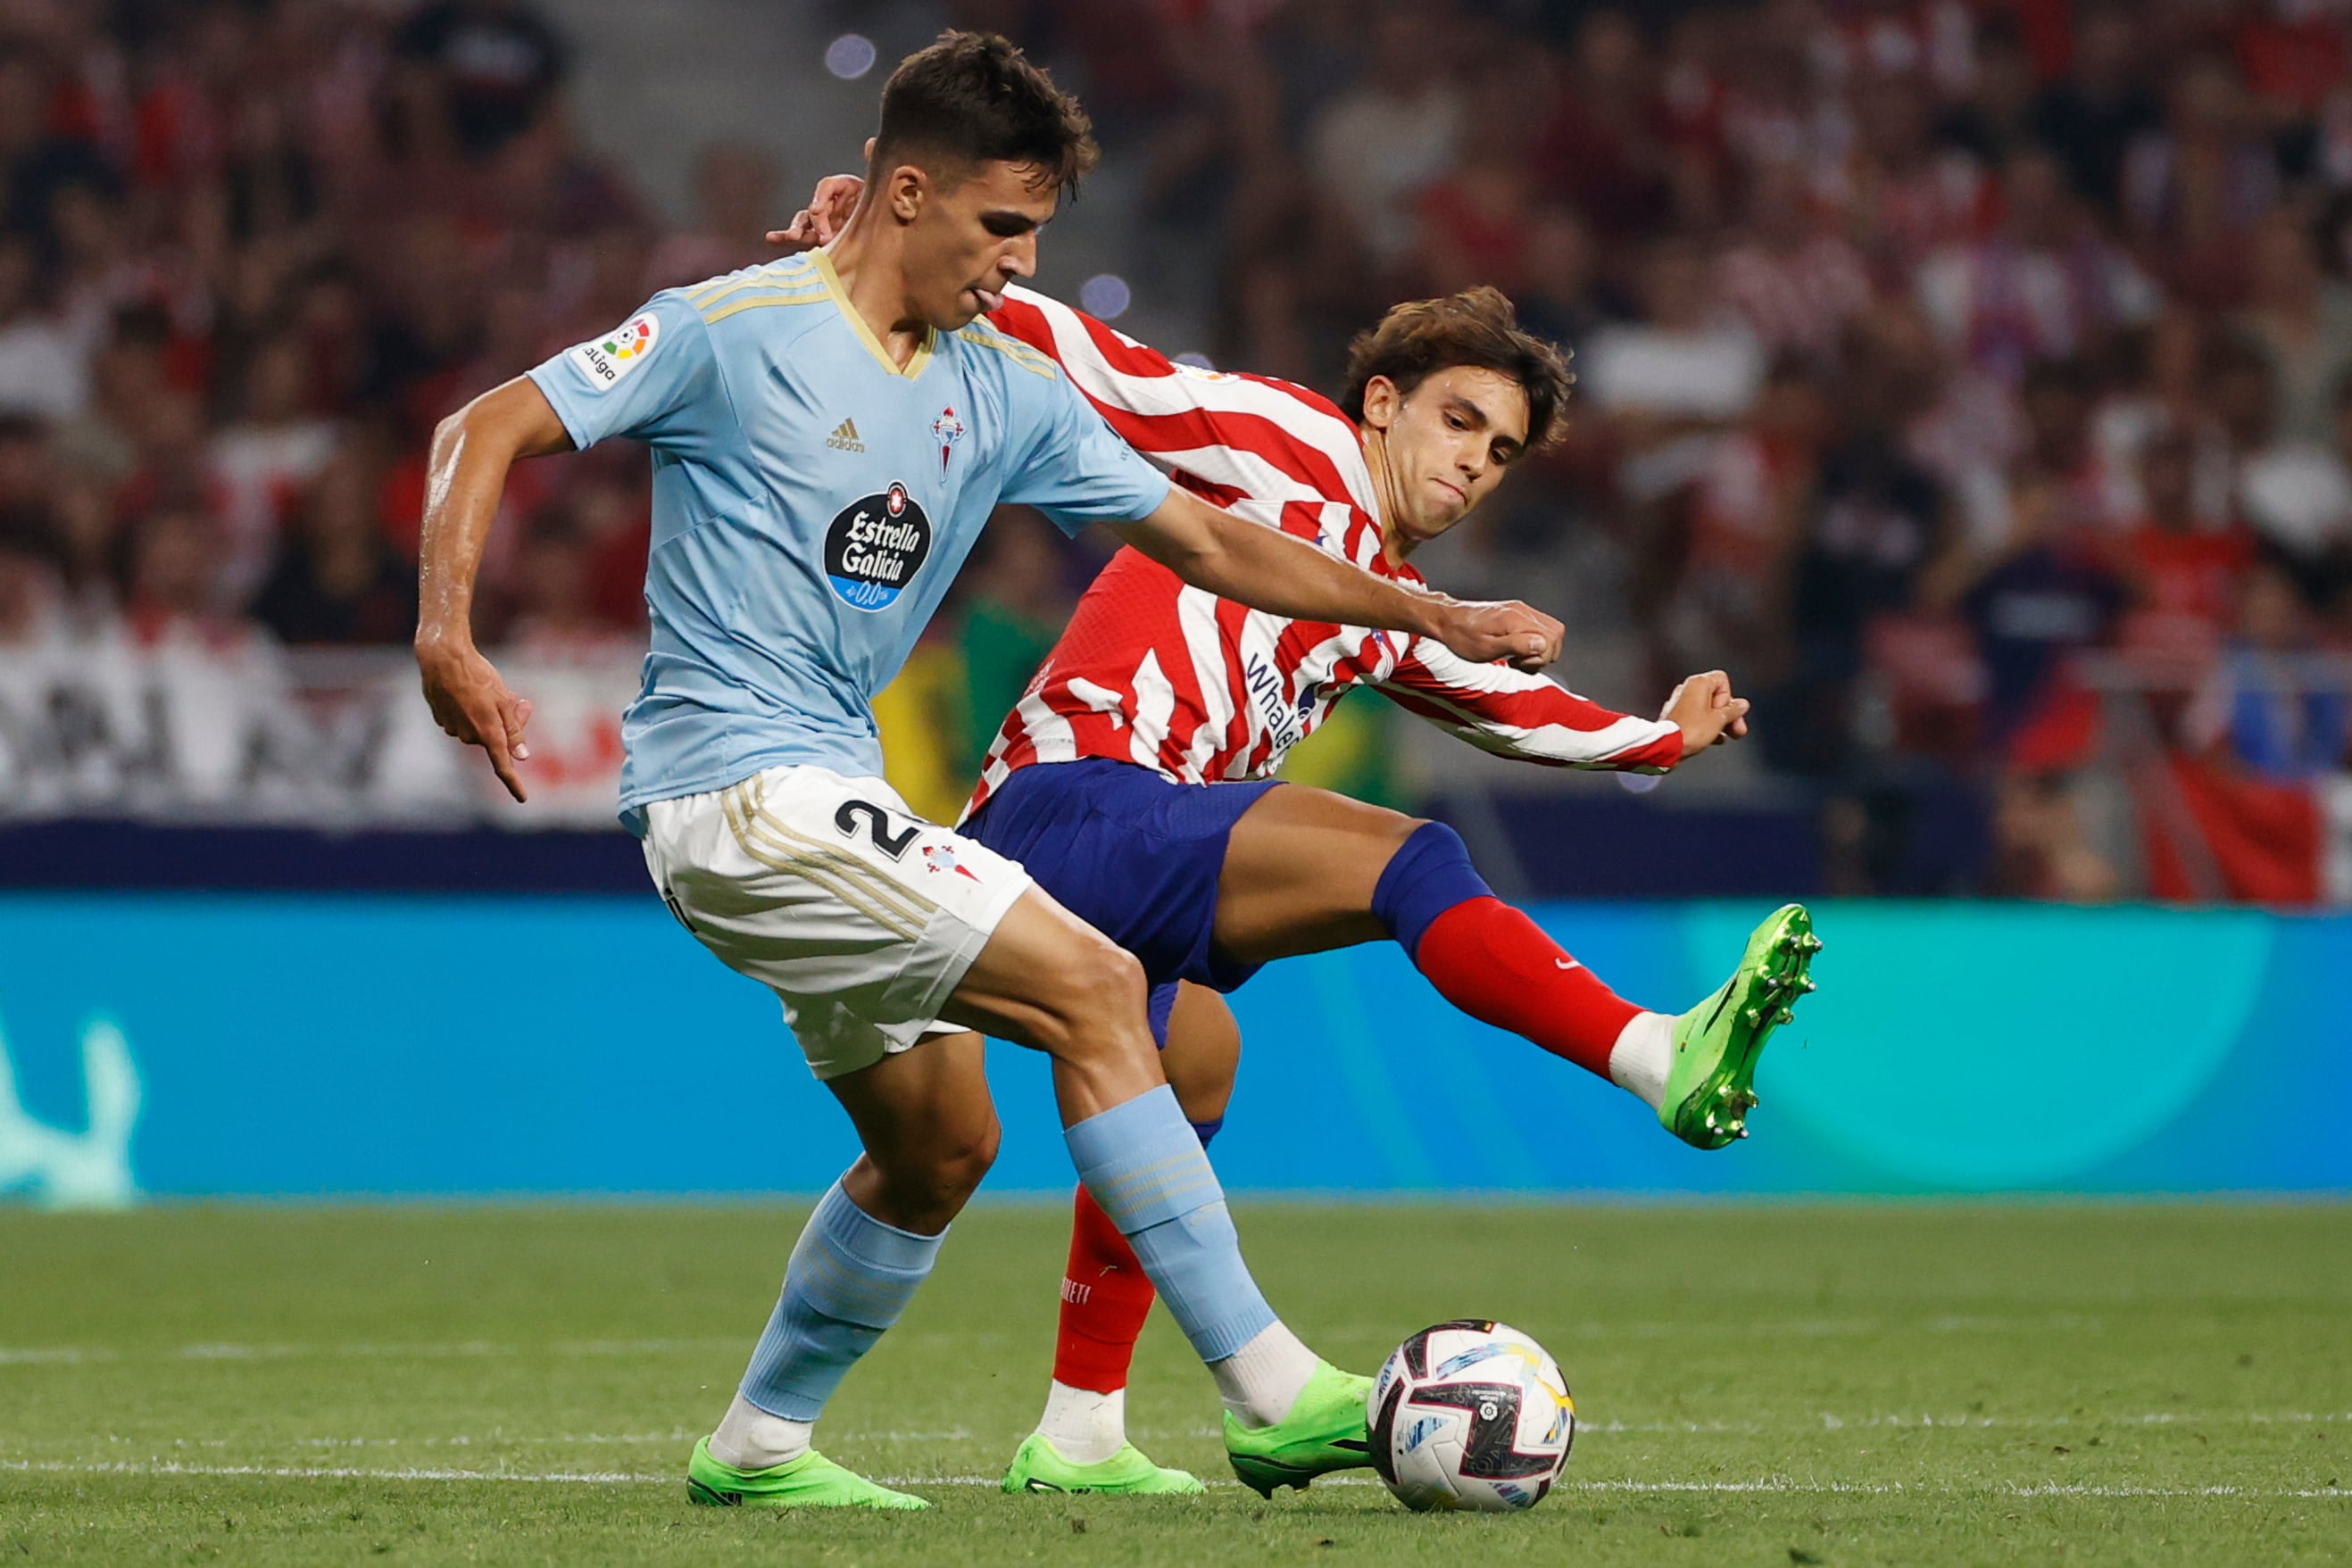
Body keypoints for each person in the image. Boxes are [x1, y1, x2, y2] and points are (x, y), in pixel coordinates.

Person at [414, 34, 1564, 1513]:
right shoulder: (728, 327)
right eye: (1002, 227)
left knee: (943, 1139)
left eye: (1038, 232)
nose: (1021, 262)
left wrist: (1427, 608)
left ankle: (757, 1445)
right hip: (732, 787)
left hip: (829, 797)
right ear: (905, 194)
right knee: (1096, 983)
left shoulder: (997, 390)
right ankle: (1273, 1390)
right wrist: (450, 635)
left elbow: (1211, 541)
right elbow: (484, 423)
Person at [770, 184, 1822, 1497]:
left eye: (1496, 454)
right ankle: (1656, 1053)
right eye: (1457, 421)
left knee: (1196, 1053)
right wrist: (890, 247)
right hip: (1067, 803)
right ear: (1383, 400)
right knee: (1409, 860)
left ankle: (1079, 1431)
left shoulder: (1390, 607)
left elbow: (1516, 710)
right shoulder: (1287, 440)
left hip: (1129, 843)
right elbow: (1108, 365)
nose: (1470, 464)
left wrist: (1656, 738)